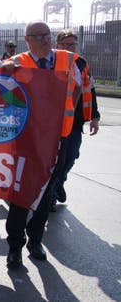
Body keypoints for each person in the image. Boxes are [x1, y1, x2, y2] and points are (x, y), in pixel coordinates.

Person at [2, 20, 82, 269]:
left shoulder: (68, 60)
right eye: (39, 36)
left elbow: (77, 88)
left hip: (58, 138)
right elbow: (3, 98)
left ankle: (35, 240)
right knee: (21, 192)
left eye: (47, 34)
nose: (46, 39)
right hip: (27, 140)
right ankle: (15, 245)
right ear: (28, 40)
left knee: (47, 193)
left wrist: (63, 113)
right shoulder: (16, 63)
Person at [52, 29, 100, 210]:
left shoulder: (82, 64)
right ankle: (51, 195)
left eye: (72, 44)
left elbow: (90, 90)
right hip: (54, 122)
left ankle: (57, 185)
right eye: (65, 44)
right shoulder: (51, 61)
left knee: (71, 156)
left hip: (75, 121)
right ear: (57, 46)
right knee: (54, 160)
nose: (69, 47)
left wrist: (95, 117)